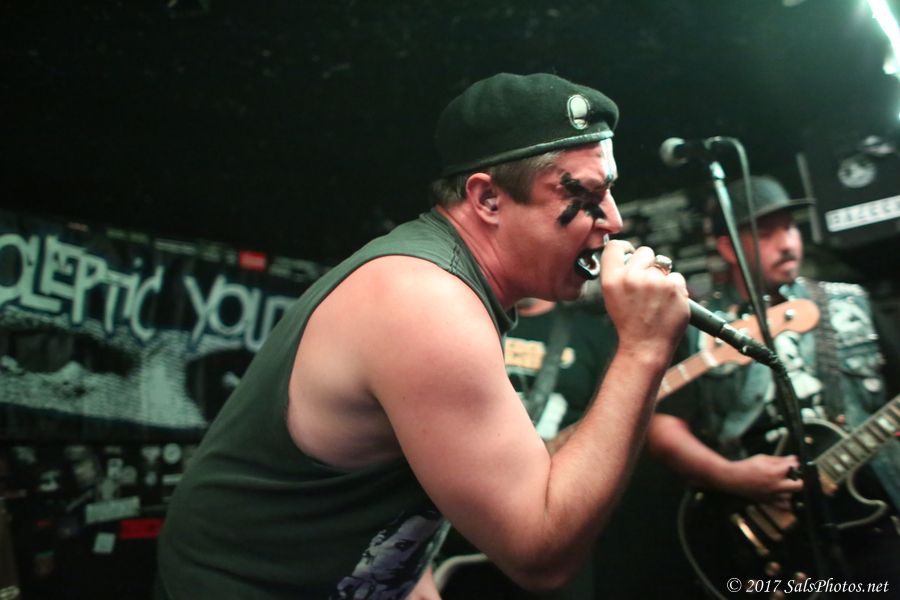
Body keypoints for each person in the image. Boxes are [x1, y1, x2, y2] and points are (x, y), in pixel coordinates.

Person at [155, 72, 690, 600]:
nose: (613, 221)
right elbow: (541, 555)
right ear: (488, 199)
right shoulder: (427, 302)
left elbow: (395, 519)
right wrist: (643, 350)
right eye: (588, 194)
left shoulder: (447, 282)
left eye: (610, 192)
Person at [647, 175, 900, 591]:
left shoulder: (850, 302)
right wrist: (731, 475)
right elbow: (663, 428)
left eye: (790, 227)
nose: (787, 243)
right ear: (728, 248)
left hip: (871, 523)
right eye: (766, 234)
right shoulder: (701, 330)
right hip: (764, 536)